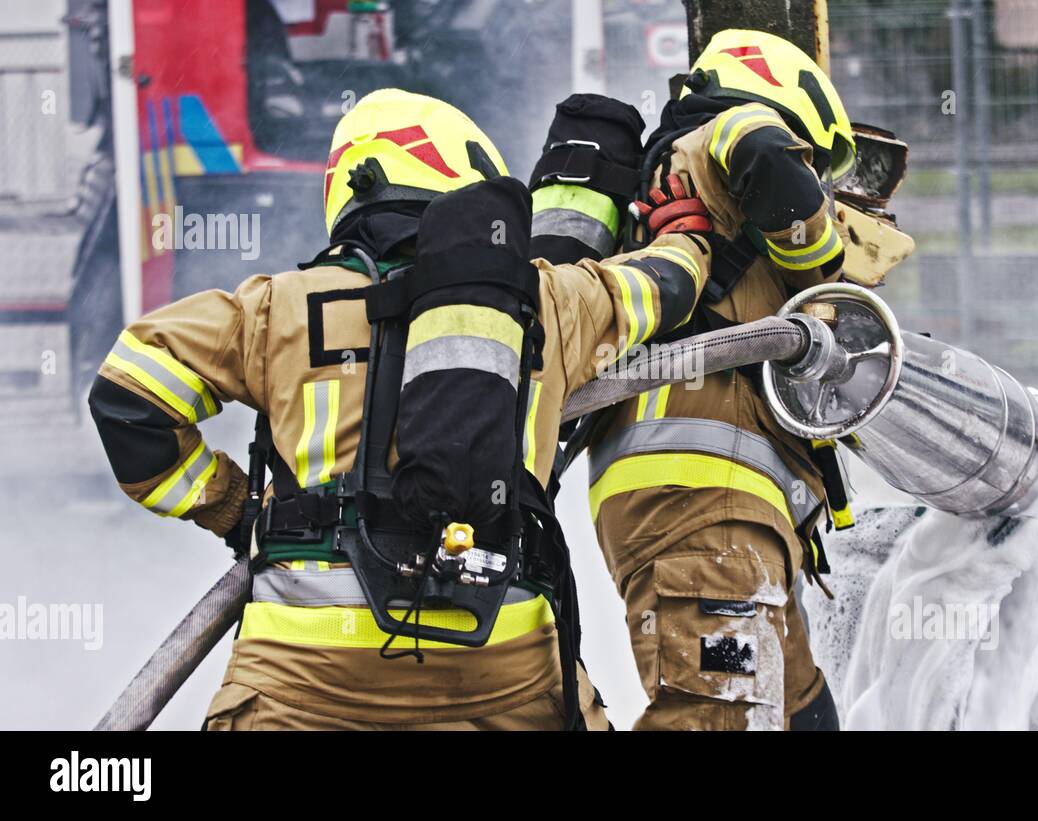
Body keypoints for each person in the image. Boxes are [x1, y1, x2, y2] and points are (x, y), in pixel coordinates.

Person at [87, 88, 714, 730]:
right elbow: (663, 288)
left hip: (301, 668)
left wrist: (232, 507)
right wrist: (687, 232)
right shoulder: (550, 299)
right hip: (501, 660)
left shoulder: (277, 307)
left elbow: (128, 393)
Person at [569, 29, 914, 730]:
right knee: (717, 718)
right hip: (702, 498)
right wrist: (822, 268)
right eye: (814, 161)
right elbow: (764, 152)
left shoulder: (690, 196)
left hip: (717, 503)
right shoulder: (723, 133)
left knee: (801, 712)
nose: (817, 179)